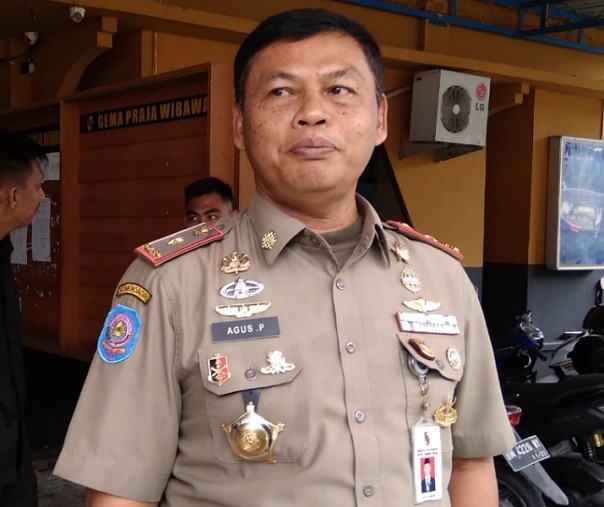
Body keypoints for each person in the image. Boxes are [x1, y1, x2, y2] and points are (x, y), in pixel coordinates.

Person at [54, 8, 514, 506]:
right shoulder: (170, 284)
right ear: (239, 123)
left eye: (339, 89)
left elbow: (470, 463)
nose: (312, 112)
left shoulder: (442, 278)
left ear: (380, 118)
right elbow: (120, 494)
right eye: (280, 92)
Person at [0, 129, 47, 507]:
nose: (42, 196)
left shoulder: (3, 253)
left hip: (12, 451)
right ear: (12, 195)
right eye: (39, 185)